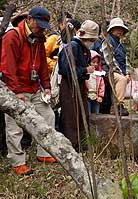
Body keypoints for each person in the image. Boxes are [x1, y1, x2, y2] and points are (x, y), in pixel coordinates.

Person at [0, 7, 56, 175]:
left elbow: (43, 66)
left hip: (34, 88)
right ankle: (18, 161)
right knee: (14, 126)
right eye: (39, 25)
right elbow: (7, 67)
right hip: (15, 89)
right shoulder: (13, 36)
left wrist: (46, 86)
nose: (41, 28)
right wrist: (16, 92)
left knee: (48, 116)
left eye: (44, 26)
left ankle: (44, 153)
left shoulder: (39, 39)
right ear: (29, 19)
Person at [58, 20, 99, 151]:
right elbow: (66, 69)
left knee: (82, 114)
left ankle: (81, 142)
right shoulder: (73, 47)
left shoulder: (83, 48)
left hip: (80, 84)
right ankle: (72, 145)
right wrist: (85, 70)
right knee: (71, 116)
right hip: (69, 85)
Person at [99, 17, 130, 116]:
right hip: (108, 71)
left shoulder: (121, 44)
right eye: (117, 29)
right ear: (111, 30)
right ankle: (118, 105)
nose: (120, 31)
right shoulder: (107, 42)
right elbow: (109, 60)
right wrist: (121, 74)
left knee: (125, 79)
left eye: (121, 29)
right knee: (121, 79)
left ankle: (119, 105)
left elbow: (126, 60)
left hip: (119, 71)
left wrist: (127, 73)